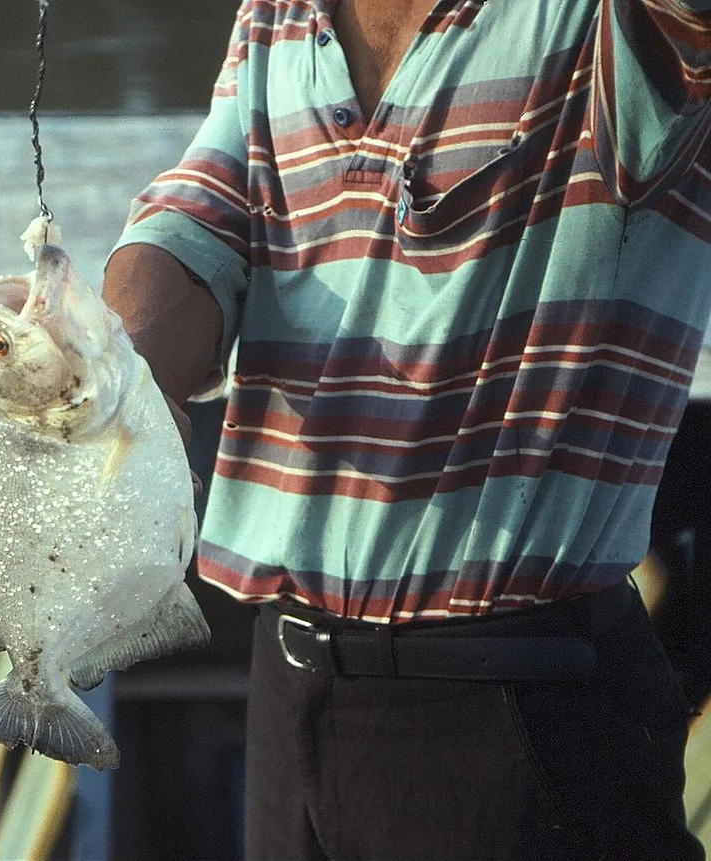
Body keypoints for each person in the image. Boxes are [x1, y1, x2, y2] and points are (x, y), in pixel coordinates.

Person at [101, 1, 711, 858]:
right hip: (287, 682)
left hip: (522, 695)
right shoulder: (280, 14)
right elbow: (205, 216)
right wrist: (102, 366)